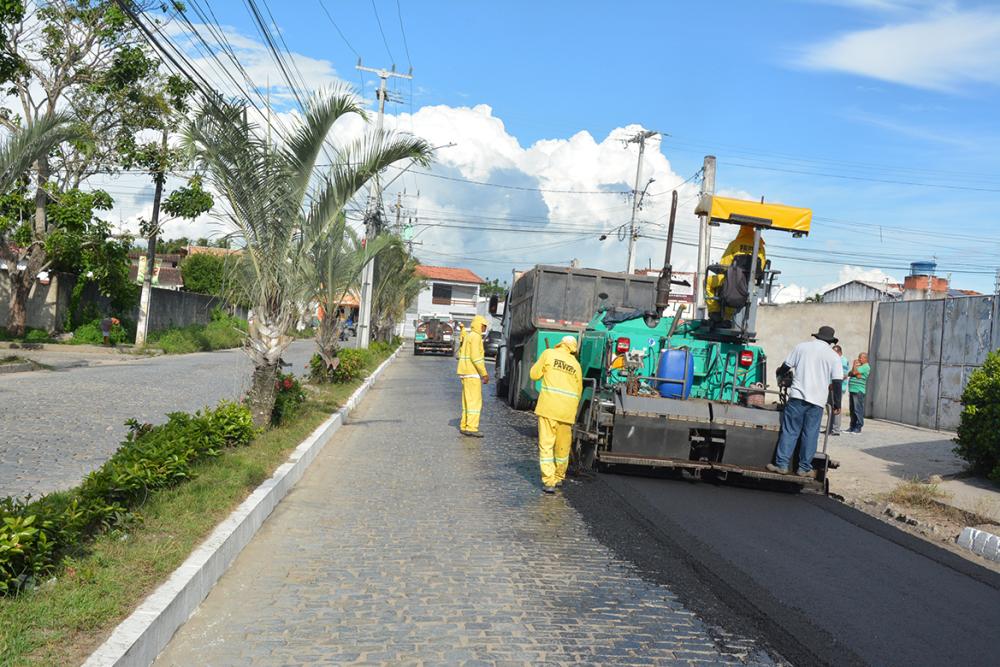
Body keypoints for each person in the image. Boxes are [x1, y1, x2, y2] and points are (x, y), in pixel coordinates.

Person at [768, 325, 844, 478]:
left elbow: (785, 367)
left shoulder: (801, 347)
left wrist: (779, 375)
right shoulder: (833, 356)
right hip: (817, 401)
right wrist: (837, 405)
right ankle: (804, 468)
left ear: (817, 336)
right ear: (830, 341)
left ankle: (781, 465)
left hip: (797, 396)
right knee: (810, 434)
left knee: (790, 431)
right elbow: (837, 382)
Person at [529, 336, 583, 494]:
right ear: (573, 348)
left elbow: (534, 375)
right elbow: (578, 392)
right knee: (562, 447)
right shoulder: (576, 365)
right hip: (566, 412)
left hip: (548, 409)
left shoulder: (549, 354)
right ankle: (559, 476)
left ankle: (549, 481)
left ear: (561, 343)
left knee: (546, 445)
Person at [705, 224, 767, 321]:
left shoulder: (735, 243)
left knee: (708, 282)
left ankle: (714, 311)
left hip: (733, 281)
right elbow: (762, 267)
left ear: (741, 231)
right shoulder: (760, 247)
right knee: (731, 284)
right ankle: (729, 317)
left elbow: (724, 264)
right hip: (750, 283)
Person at [456, 315, 489, 437]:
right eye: (484, 326)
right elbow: (476, 358)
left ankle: (464, 425)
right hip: (472, 373)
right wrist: (484, 374)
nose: (485, 329)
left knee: (466, 401)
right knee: (475, 402)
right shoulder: (476, 338)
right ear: (479, 325)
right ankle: (472, 427)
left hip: (465, 372)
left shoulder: (469, 336)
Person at [846, 352, 870, 434]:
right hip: (852, 389)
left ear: (865, 359)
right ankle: (852, 426)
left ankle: (858, 427)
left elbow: (853, 373)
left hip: (858, 390)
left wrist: (854, 366)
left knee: (857, 409)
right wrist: (855, 372)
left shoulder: (866, 366)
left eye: (861, 358)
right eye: (859, 357)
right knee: (852, 410)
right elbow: (850, 373)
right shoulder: (860, 366)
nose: (859, 359)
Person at [828, 344, 849, 435]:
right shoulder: (834, 359)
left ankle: (836, 429)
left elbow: (843, 375)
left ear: (840, 352)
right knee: (830, 407)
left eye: (834, 352)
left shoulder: (843, 360)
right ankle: (829, 428)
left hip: (837, 387)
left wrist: (833, 383)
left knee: (836, 407)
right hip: (831, 386)